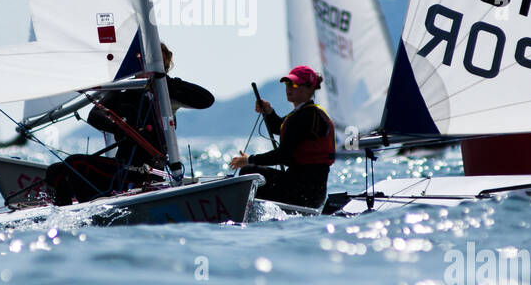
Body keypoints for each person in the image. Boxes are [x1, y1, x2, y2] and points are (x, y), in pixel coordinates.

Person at [45, 44, 214, 205]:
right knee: (55, 170)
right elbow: (94, 116)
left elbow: (206, 100)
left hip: (147, 172)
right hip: (123, 168)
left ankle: (90, 216)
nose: (148, 68)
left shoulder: (166, 94)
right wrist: (121, 129)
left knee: (75, 164)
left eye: (156, 64)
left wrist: (164, 80)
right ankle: (69, 215)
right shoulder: (124, 90)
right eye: (146, 62)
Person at [228, 65, 335, 208]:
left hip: (304, 192)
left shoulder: (307, 116)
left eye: (295, 84)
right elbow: (280, 128)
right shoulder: (303, 113)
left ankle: (239, 212)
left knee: (249, 172)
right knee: (251, 170)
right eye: (287, 84)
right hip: (307, 191)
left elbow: (282, 155)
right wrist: (269, 112)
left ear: (309, 89)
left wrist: (248, 160)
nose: (289, 88)